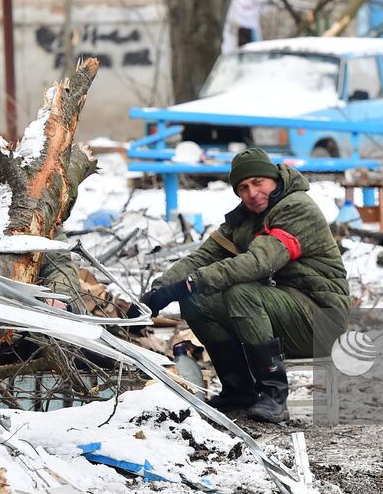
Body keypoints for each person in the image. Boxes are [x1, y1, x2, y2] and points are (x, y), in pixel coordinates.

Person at [140, 149, 349, 423]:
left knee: (242, 294)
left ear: (274, 178)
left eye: (257, 182)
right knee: (196, 301)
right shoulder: (244, 218)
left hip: (321, 321)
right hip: (283, 311)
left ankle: (274, 395)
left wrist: (195, 281)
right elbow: (203, 256)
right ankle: (238, 390)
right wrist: (160, 290)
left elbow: (260, 261)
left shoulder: (296, 208)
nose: (252, 192)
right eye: (243, 187)